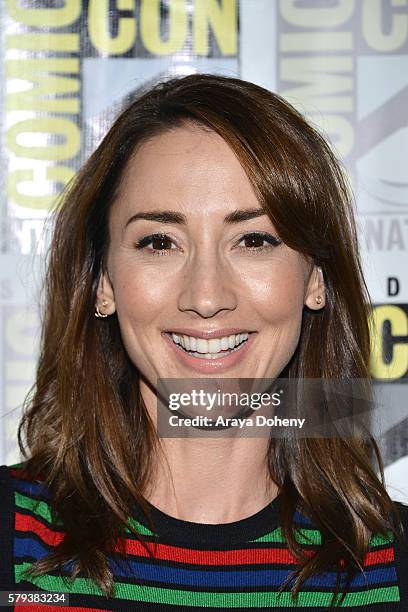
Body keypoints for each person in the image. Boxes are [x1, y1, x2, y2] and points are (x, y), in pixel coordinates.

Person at [0, 73, 407, 611]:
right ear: (103, 281)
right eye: (160, 241)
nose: (207, 296)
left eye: (254, 239)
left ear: (315, 279)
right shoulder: (16, 539)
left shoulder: (390, 565)